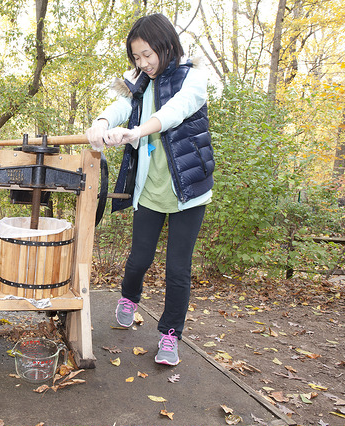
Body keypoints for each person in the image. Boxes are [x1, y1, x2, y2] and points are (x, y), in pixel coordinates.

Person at [86, 13, 214, 366]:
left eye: (147, 55)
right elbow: (121, 105)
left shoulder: (194, 78)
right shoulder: (139, 82)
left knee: (177, 269)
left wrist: (137, 131)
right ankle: (129, 296)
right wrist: (101, 123)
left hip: (189, 190)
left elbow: (176, 111)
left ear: (166, 45)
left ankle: (170, 336)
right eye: (136, 57)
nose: (143, 63)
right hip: (150, 192)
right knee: (139, 259)